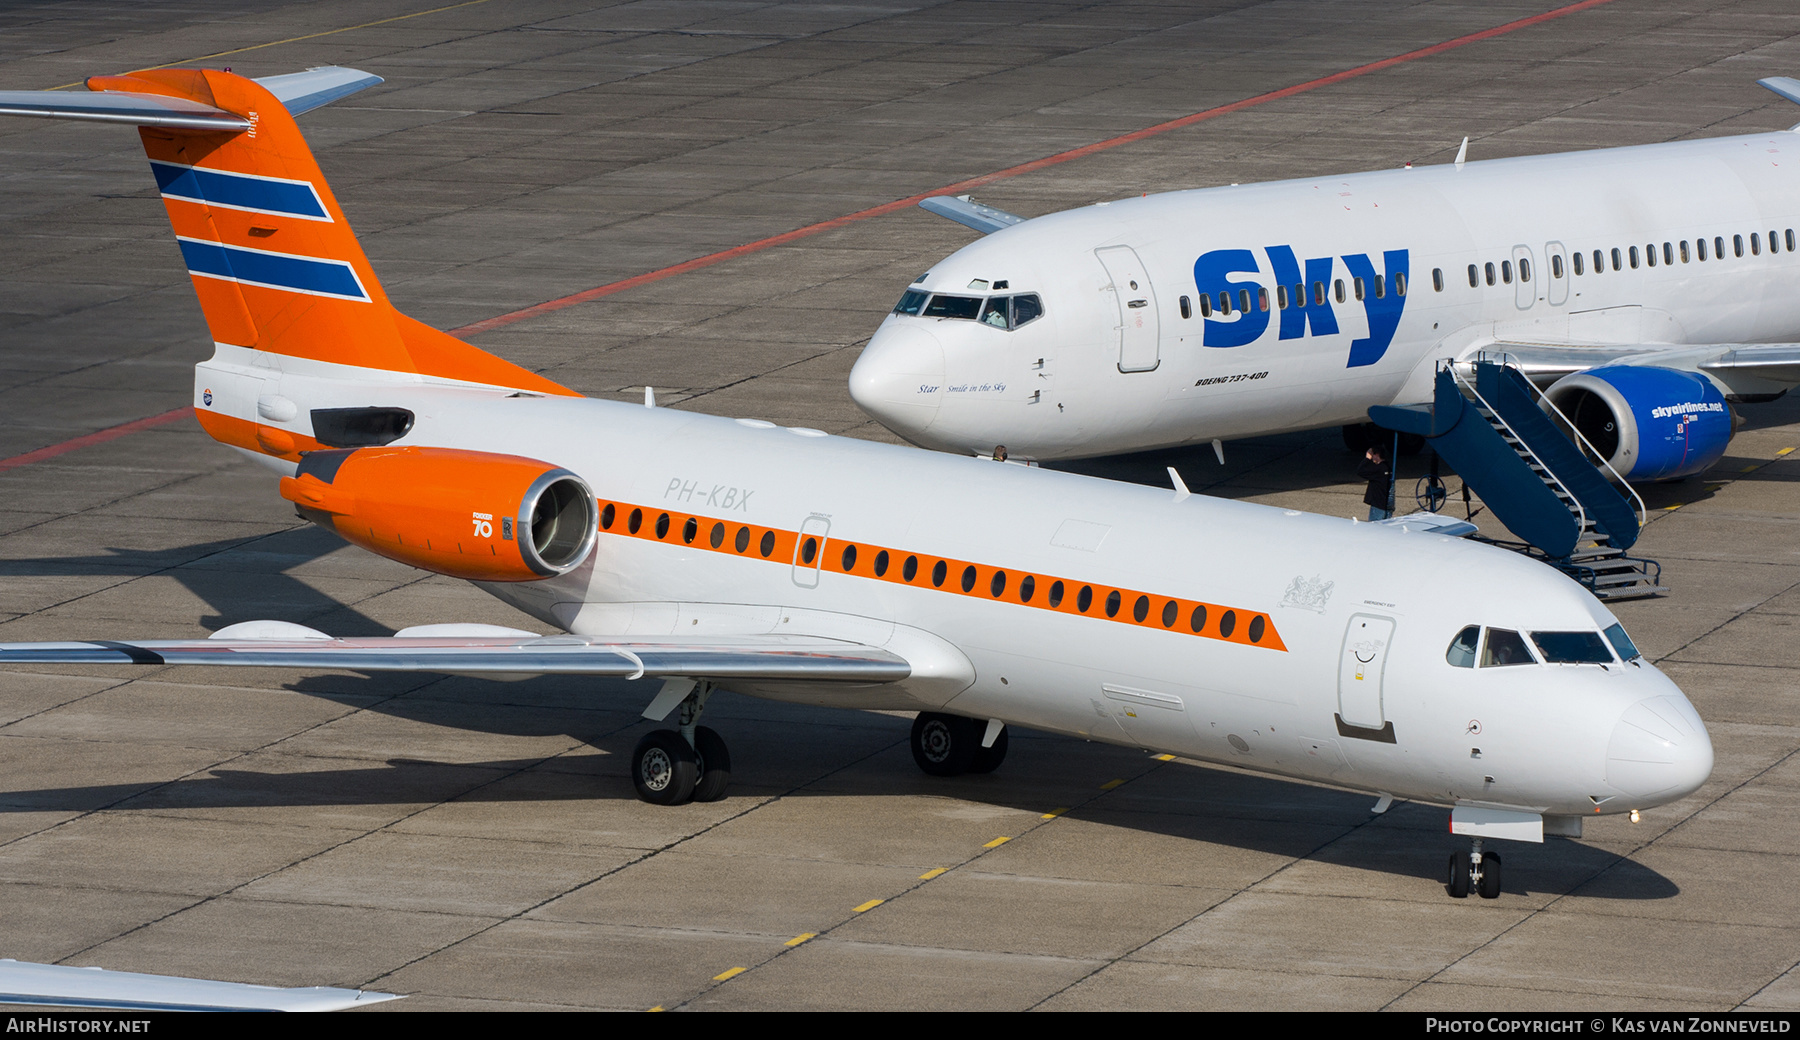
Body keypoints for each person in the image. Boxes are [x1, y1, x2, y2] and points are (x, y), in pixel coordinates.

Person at [1358, 445, 1392, 520]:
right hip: (1387, 504)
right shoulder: (1388, 467)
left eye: (1372, 455)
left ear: (1377, 454)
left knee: (1375, 527)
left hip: (1378, 505)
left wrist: (1367, 458)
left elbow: (1360, 471)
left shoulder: (1378, 469)